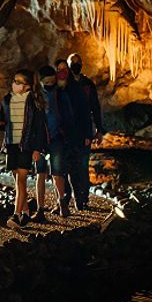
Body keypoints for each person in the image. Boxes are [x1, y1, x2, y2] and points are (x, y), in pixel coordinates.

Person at [0, 69, 48, 229]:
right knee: (17, 180)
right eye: (14, 81)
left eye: (18, 82)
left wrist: (37, 149)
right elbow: (5, 122)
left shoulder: (35, 102)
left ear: (27, 86)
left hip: (26, 145)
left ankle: (16, 215)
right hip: (11, 145)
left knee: (21, 180)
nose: (14, 84)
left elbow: (39, 128)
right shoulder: (7, 100)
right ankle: (26, 213)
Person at [34, 65, 73, 220]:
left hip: (56, 138)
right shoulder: (36, 97)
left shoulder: (60, 95)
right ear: (41, 81)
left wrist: (67, 135)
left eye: (52, 81)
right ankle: (40, 209)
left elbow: (68, 116)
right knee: (40, 174)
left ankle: (62, 204)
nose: (50, 84)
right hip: (40, 140)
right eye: (47, 82)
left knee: (57, 174)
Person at [67, 53, 105, 209]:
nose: (76, 65)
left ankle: (83, 198)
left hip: (84, 131)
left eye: (78, 62)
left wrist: (99, 129)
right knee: (71, 167)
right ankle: (75, 197)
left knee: (82, 166)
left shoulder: (88, 84)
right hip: (68, 132)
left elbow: (95, 107)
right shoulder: (64, 85)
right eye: (73, 63)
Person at [56, 67, 92, 214]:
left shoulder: (76, 93)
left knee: (75, 171)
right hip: (62, 137)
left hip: (75, 137)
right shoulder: (56, 94)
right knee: (64, 172)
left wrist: (87, 135)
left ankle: (79, 199)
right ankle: (68, 199)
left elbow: (85, 114)